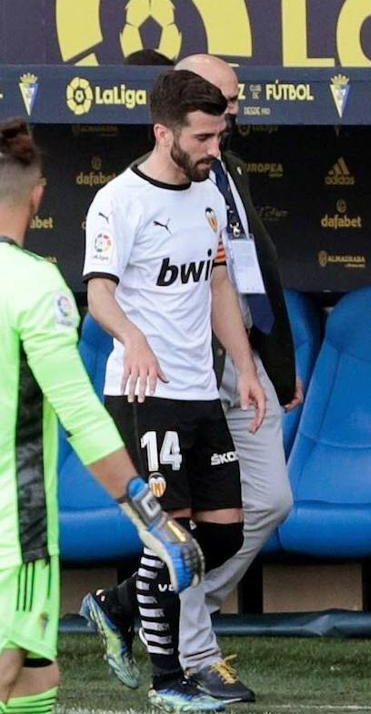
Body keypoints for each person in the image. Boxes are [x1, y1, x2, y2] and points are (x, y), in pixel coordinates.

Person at [77, 70, 267, 714]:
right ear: (164, 133)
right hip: (142, 393)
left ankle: (114, 605)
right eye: (205, 136)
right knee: (172, 543)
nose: (217, 147)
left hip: (199, 393)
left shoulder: (211, 196)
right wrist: (130, 337)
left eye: (222, 134)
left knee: (224, 537)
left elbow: (217, 285)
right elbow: (98, 291)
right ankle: (169, 683)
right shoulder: (118, 202)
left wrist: (243, 366)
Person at [0, 116, 203, 714]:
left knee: (37, 675)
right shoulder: (36, 286)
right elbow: (82, 416)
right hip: (13, 529)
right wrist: (152, 519)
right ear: (38, 196)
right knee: (12, 661)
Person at [171, 53, 300, 704]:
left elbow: (255, 269)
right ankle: (193, 644)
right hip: (191, 369)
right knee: (200, 513)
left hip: (244, 361)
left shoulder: (230, 167)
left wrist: (278, 367)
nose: (236, 113)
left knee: (272, 499)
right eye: (225, 102)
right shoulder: (159, 187)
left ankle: (155, 607)